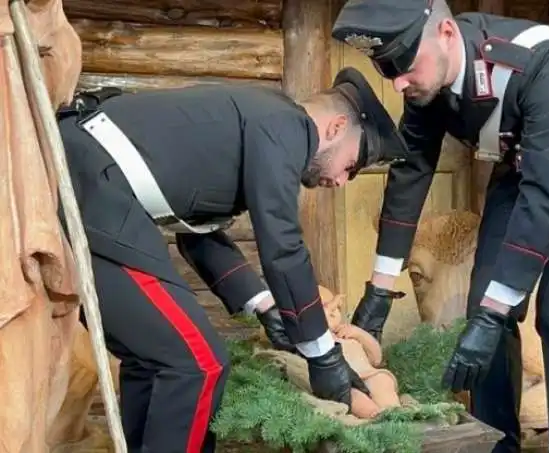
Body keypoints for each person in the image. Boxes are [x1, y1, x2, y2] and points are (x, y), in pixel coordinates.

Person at [331, 2, 549, 453]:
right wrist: (379, 293)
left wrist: (495, 312)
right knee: (484, 308)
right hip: (525, 165)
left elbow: (545, 195)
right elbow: (410, 174)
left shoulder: (539, 63)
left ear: (444, 32)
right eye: (387, 69)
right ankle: (497, 445)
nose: (398, 81)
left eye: (404, 63)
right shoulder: (424, 81)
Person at [56, 67, 407, 453]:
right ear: (337, 127)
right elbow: (283, 246)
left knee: (156, 363)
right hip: (89, 186)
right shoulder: (286, 124)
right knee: (197, 364)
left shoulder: (259, 121)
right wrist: (323, 357)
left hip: (86, 182)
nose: (342, 181)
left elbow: (198, 236)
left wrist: (265, 305)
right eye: (353, 166)